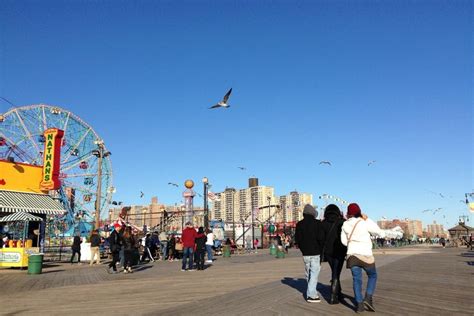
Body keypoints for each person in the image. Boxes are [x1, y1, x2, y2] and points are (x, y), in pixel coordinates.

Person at [341, 203, 385, 313]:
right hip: (366, 255)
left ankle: (359, 304)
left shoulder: (345, 224)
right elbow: (379, 232)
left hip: (353, 255)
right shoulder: (364, 222)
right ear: (359, 212)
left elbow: (344, 242)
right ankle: (368, 298)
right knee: (372, 275)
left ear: (348, 213)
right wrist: (367, 219)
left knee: (357, 280)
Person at [295, 204, 324, 303]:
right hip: (315, 253)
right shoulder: (317, 223)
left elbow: (297, 240)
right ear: (312, 213)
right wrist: (320, 250)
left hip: (305, 254)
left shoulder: (299, 224)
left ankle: (312, 290)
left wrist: (303, 249)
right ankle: (311, 295)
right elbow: (321, 239)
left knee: (308, 273)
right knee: (314, 274)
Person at [321, 204, 347, 304]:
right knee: (336, 273)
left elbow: (321, 239)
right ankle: (333, 296)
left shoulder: (323, 223)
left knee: (335, 271)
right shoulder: (342, 222)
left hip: (328, 252)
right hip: (339, 251)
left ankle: (338, 292)